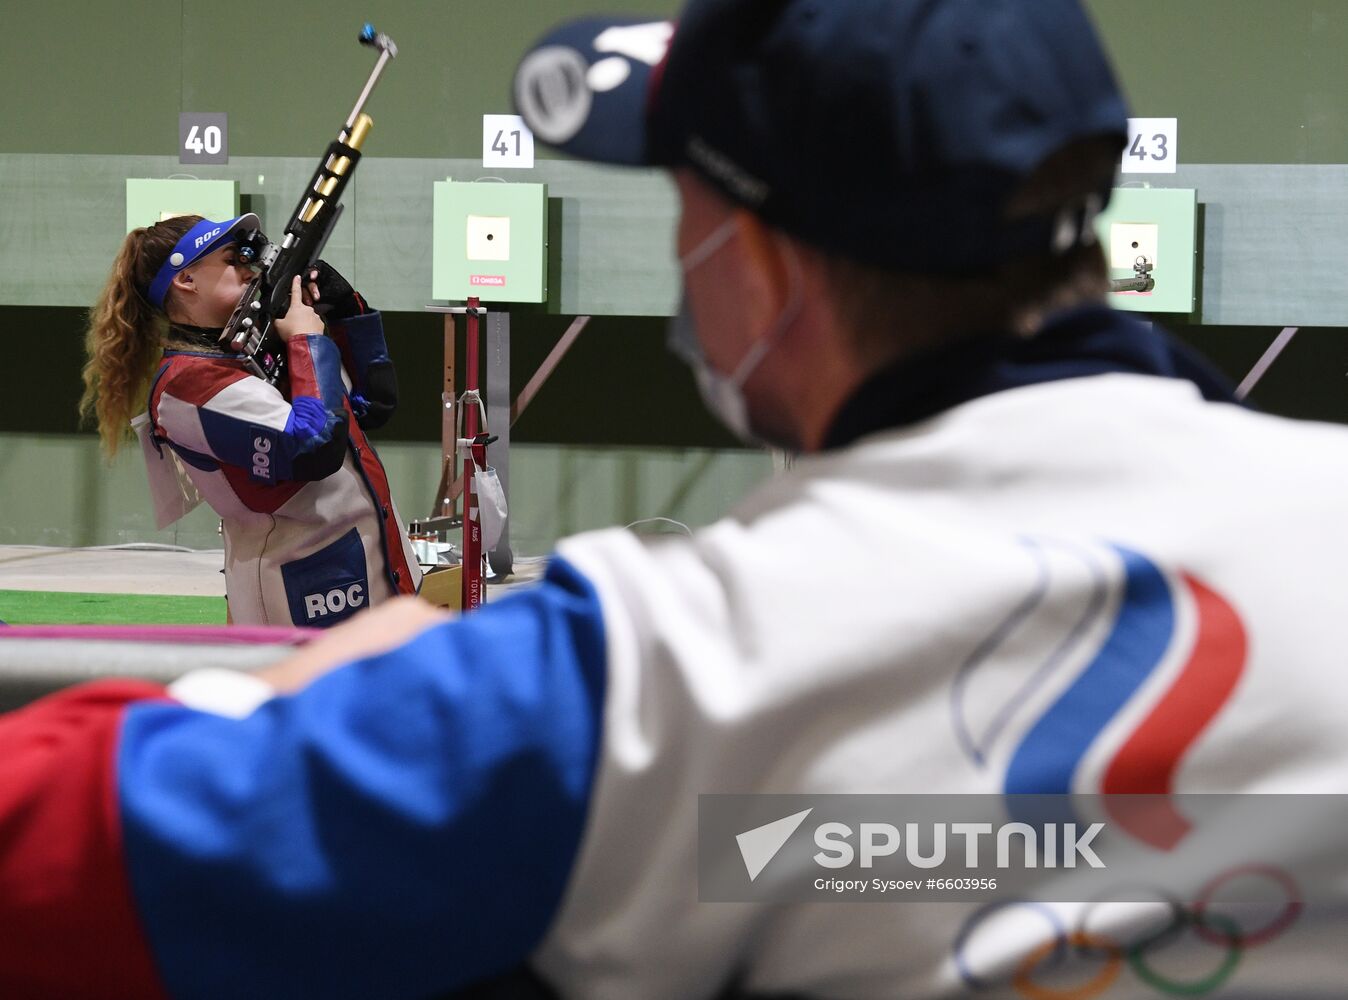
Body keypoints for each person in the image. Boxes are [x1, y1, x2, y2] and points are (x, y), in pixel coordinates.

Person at [2, 1, 1347, 997]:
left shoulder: (651, 673)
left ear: (759, 263)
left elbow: (63, 851)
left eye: (689, 209)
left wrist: (322, 692)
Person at [78, 213, 421, 627]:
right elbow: (315, 448)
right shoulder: (190, 386)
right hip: (302, 598)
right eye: (231, 258)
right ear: (186, 279)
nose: (249, 266)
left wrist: (347, 310)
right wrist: (306, 341)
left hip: (377, 573)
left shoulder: (254, 349)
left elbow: (374, 406)